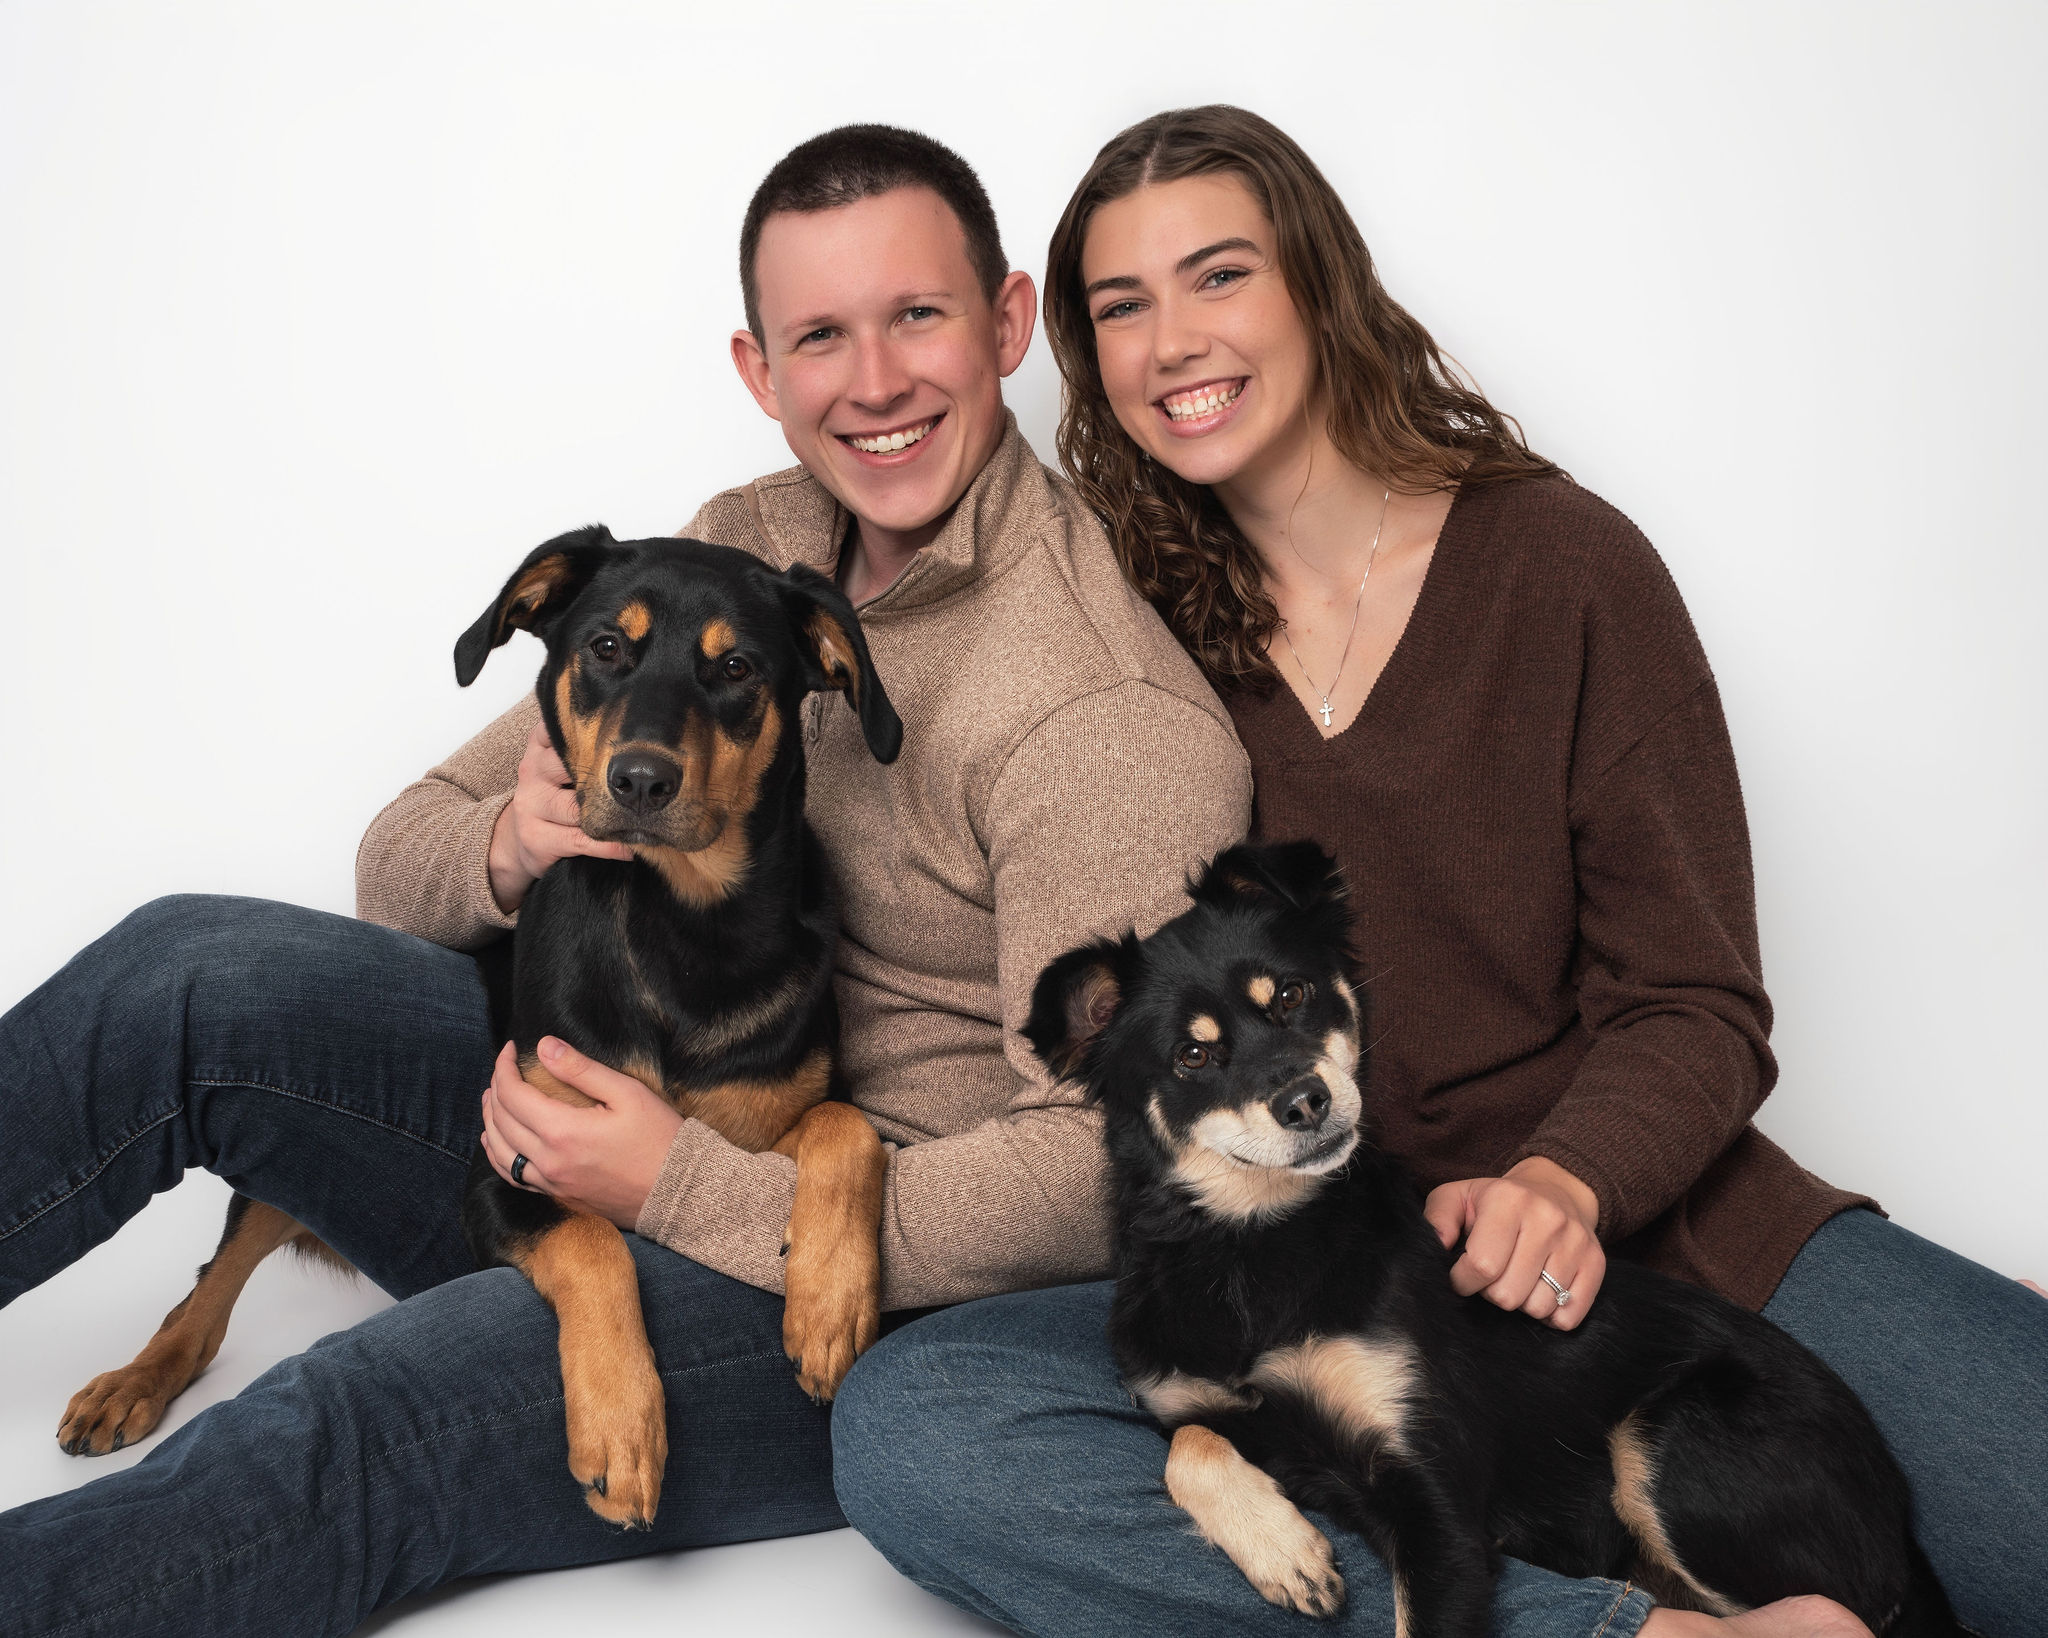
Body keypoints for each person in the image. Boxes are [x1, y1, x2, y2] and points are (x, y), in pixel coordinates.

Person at [0, 124, 1249, 1637]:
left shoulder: (1097, 709)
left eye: (916, 317)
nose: (872, 381)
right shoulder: (748, 541)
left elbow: (1099, 1169)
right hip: (607, 1102)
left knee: (361, 1419)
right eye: (818, 335)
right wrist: (514, 839)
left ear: (1004, 324)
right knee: (189, 969)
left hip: (859, 1292)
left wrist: (679, 1184)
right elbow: (404, 861)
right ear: (758, 365)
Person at [827, 106, 2048, 1638]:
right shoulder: (1140, 636)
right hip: (1322, 1269)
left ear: (1318, 287)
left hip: (1681, 1243)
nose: (1170, 342)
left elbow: (1696, 1001)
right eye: (1118, 307)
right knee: (917, 1424)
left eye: (1217, 277)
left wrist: (1564, 1179)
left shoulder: (1562, 564)